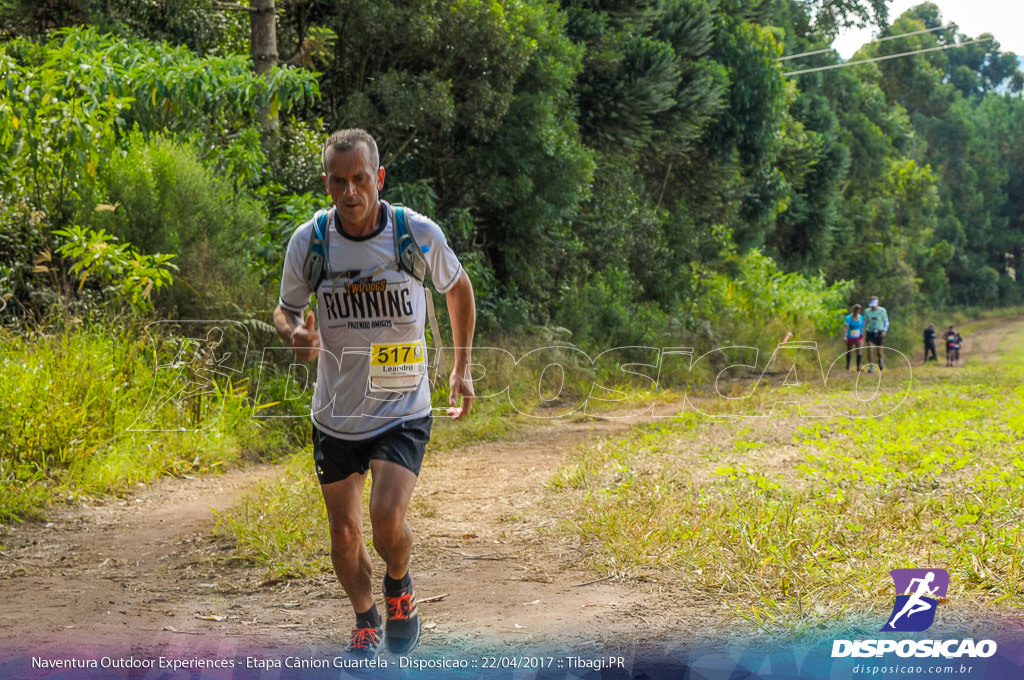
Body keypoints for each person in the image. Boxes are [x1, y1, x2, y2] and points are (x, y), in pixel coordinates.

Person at [272, 129, 476, 659]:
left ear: (378, 178)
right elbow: (286, 308)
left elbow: (457, 286)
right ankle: (365, 619)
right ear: (326, 184)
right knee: (343, 535)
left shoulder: (414, 234)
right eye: (338, 181)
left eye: (360, 179)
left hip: (401, 405)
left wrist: (462, 366)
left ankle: (399, 585)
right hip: (336, 411)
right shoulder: (309, 242)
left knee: (386, 518)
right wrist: (295, 332)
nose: (350, 192)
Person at [862, 296, 889, 372]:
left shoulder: (882, 310)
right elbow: (864, 322)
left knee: (879, 351)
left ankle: (880, 360)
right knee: (870, 349)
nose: (873, 307)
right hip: (870, 331)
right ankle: (871, 367)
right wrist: (862, 331)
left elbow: (886, 321)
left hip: (879, 331)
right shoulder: (867, 311)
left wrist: (884, 331)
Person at [843, 304, 865, 371]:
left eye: (858, 310)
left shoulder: (861, 317)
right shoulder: (848, 318)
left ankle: (858, 366)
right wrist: (845, 336)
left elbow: (862, 326)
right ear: (853, 310)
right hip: (850, 336)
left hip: (859, 336)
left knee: (859, 350)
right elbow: (846, 327)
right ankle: (848, 365)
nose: (857, 312)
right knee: (849, 351)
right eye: (856, 310)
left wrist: (862, 333)